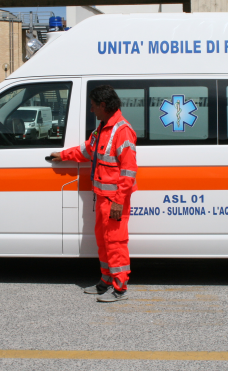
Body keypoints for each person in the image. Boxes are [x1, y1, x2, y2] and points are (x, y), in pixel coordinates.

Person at [51, 85, 137, 302]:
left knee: (115, 243)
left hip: (114, 200)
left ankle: (120, 288)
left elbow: (128, 171)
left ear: (103, 105)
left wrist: (118, 201)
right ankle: (106, 280)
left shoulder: (122, 131)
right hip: (102, 198)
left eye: (93, 106)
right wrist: (63, 155)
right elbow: (87, 150)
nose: (91, 110)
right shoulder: (103, 128)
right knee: (103, 241)